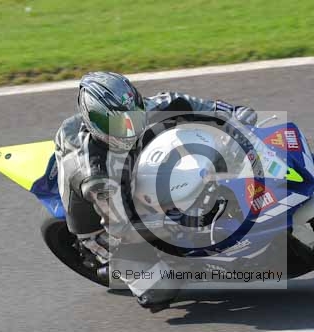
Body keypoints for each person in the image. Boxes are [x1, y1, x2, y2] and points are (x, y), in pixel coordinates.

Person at [54, 71, 257, 311]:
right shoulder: (95, 174)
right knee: (161, 289)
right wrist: (170, 226)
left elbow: (182, 103)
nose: (130, 128)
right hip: (106, 224)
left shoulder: (137, 110)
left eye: (134, 117)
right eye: (120, 125)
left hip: (132, 172)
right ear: (96, 125)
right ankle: (118, 266)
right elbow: (121, 227)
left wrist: (233, 113)